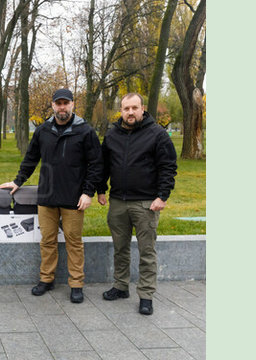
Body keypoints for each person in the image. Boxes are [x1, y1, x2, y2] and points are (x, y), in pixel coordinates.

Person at [0, 89, 103, 303]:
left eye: (66, 103)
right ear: (53, 105)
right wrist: (18, 181)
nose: (62, 107)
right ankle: (46, 279)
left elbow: (96, 165)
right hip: (46, 197)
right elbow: (31, 158)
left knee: (74, 241)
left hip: (74, 199)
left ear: (73, 105)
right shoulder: (43, 130)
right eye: (58, 103)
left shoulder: (85, 131)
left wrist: (88, 192)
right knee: (47, 240)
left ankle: (76, 284)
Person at [97, 92, 177, 315]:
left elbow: (168, 167)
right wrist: (101, 190)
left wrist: (162, 196)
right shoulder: (112, 135)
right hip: (118, 203)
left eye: (134, 108)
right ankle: (121, 286)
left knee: (147, 251)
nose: (130, 112)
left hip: (146, 204)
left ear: (142, 109)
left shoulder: (157, 135)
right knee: (120, 249)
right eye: (126, 108)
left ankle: (146, 295)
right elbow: (103, 165)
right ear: (121, 111)